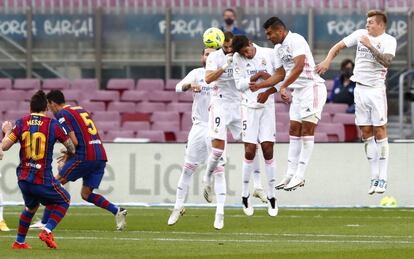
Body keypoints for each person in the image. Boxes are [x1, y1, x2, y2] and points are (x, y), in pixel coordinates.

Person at [316, 10, 397, 194]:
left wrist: (369, 46)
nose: (367, 25)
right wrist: (328, 60)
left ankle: (383, 178)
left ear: (381, 25)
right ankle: (374, 177)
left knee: (380, 130)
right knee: (366, 132)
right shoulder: (360, 34)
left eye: (371, 22)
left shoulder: (389, 40)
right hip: (359, 89)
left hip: (376, 90)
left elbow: (387, 62)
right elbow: (338, 46)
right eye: (367, 22)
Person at [249, 17, 327, 191]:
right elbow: (279, 74)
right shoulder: (278, 48)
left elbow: (299, 67)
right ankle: (290, 174)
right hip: (298, 92)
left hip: (311, 88)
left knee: (307, 131)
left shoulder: (296, 39)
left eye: (270, 33)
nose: (268, 37)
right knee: (293, 130)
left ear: (280, 30)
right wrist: (260, 86)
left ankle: (300, 175)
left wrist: (284, 87)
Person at [40, 90, 127, 230]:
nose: (49, 110)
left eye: (49, 106)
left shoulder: (62, 114)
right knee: (86, 194)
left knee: (54, 184)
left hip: (85, 156)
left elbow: (73, 142)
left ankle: (44, 222)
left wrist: (68, 154)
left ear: (53, 103)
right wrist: (69, 155)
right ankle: (117, 210)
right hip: (99, 155)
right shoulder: (79, 109)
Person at [1, 90, 75, 249]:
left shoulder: (22, 122)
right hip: (42, 178)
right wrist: (67, 154)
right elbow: (71, 147)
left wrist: (7, 130)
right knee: (64, 199)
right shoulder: (53, 125)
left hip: (23, 177)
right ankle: (47, 230)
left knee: (31, 207)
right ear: (46, 108)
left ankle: (19, 242)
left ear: (30, 108)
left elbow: (5, 146)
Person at [168, 47, 227, 226]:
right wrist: (188, 85)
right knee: (187, 169)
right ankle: (178, 207)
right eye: (206, 54)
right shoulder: (196, 73)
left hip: (216, 126)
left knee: (219, 172)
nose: (208, 57)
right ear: (202, 56)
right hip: (198, 127)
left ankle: (220, 212)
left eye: (211, 54)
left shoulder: (222, 75)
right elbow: (178, 87)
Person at [232, 35, 285, 217]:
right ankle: (245, 195)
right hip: (248, 108)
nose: (245, 55)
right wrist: (257, 76)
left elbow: (281, 79)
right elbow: (239, 85)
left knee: (268, 150)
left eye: (246, 51)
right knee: (249, 151)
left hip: (267, 108)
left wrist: (267, 89)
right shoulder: (237, 59)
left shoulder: (269, 54)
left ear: (250, 44)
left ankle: (272, 196)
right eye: (241, 53)